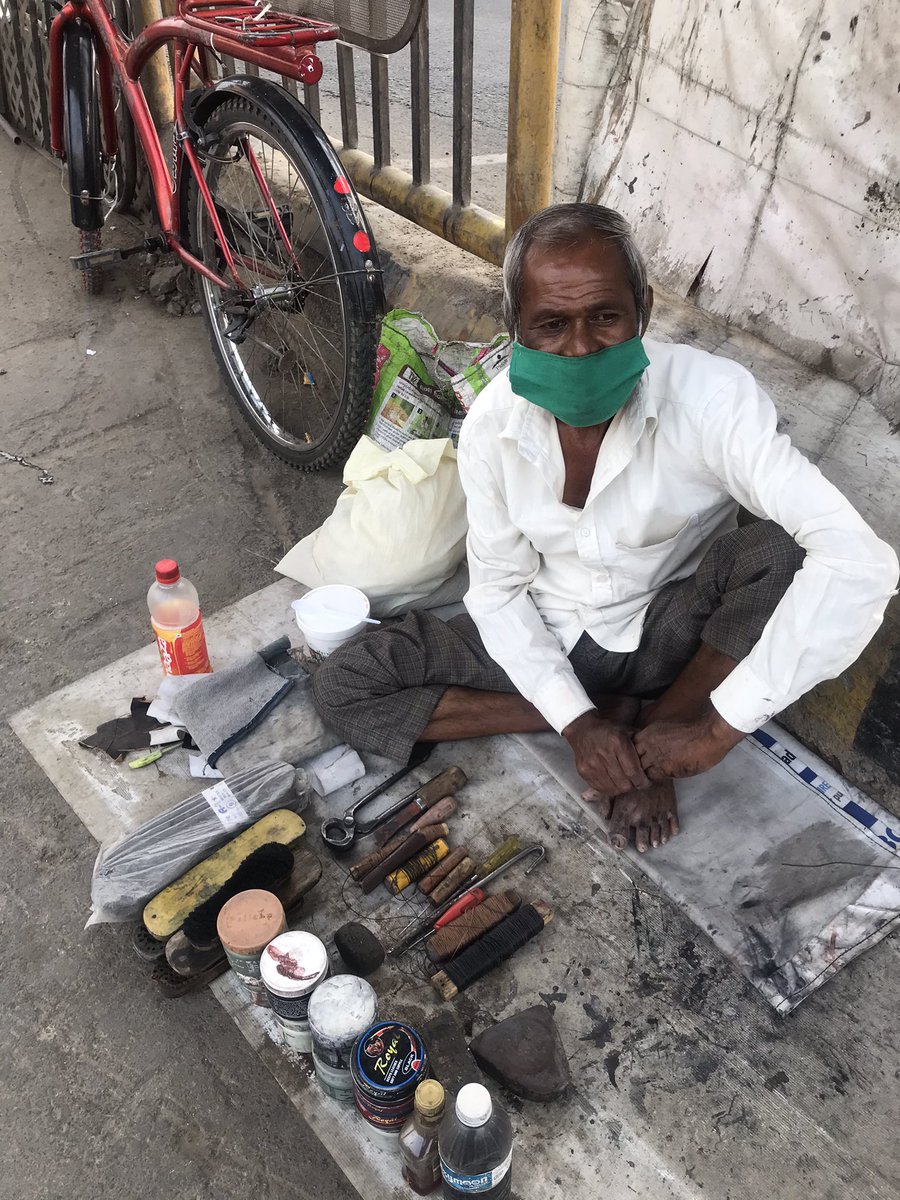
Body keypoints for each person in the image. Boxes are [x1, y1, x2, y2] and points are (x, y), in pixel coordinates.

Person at [313, 203, 898, 853]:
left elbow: (860, 560)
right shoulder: (493, 427)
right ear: (517, 327)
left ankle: (660, 733)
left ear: (642, 309)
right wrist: (577, 723)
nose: (582, 347)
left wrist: (713, 731)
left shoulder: (711, 401)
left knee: (778, 549)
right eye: (552, 325)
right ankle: (612, 725)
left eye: (605, 317)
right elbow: (500, 592)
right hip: (547, 623)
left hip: (665, 631)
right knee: (343, 688)